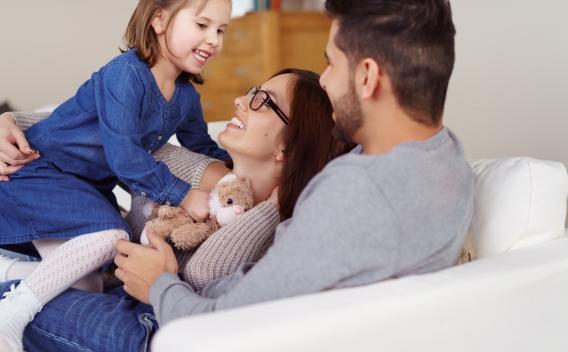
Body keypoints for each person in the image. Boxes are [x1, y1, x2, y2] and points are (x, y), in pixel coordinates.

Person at [0, 0, 475, 351]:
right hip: (173, 302)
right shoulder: (445, 161)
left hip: (170, 328)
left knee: (31, 297)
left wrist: (160, 284)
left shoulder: (354, 192)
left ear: (368, 77)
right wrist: (15, 124)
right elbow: (137, 139)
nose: (326, 83)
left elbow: (224, 319)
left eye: (331, 63)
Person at [0, 67, 352, 351]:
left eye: (263, 101)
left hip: (162, 322)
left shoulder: (281, 227)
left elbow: (203, 272)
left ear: (288, 149)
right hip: (121, 285)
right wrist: (13, 123)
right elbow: (115, 140)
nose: (241, 101)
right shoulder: (202, 170)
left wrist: (273, 207)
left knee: (18, 295)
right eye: (252, 90)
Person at [0, 0, 234, 350]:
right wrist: (184, 194)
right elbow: (124, 156)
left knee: (86, 288)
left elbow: (201, 145)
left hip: (82, 188)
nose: (213, 39)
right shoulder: (126, 75)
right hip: (41, 171)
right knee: (111, 236)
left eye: (220, 31)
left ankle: (11, 275)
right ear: (158, 20)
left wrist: (236, 176)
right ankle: (11, 313)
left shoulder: (185, 96)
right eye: (202, 25)